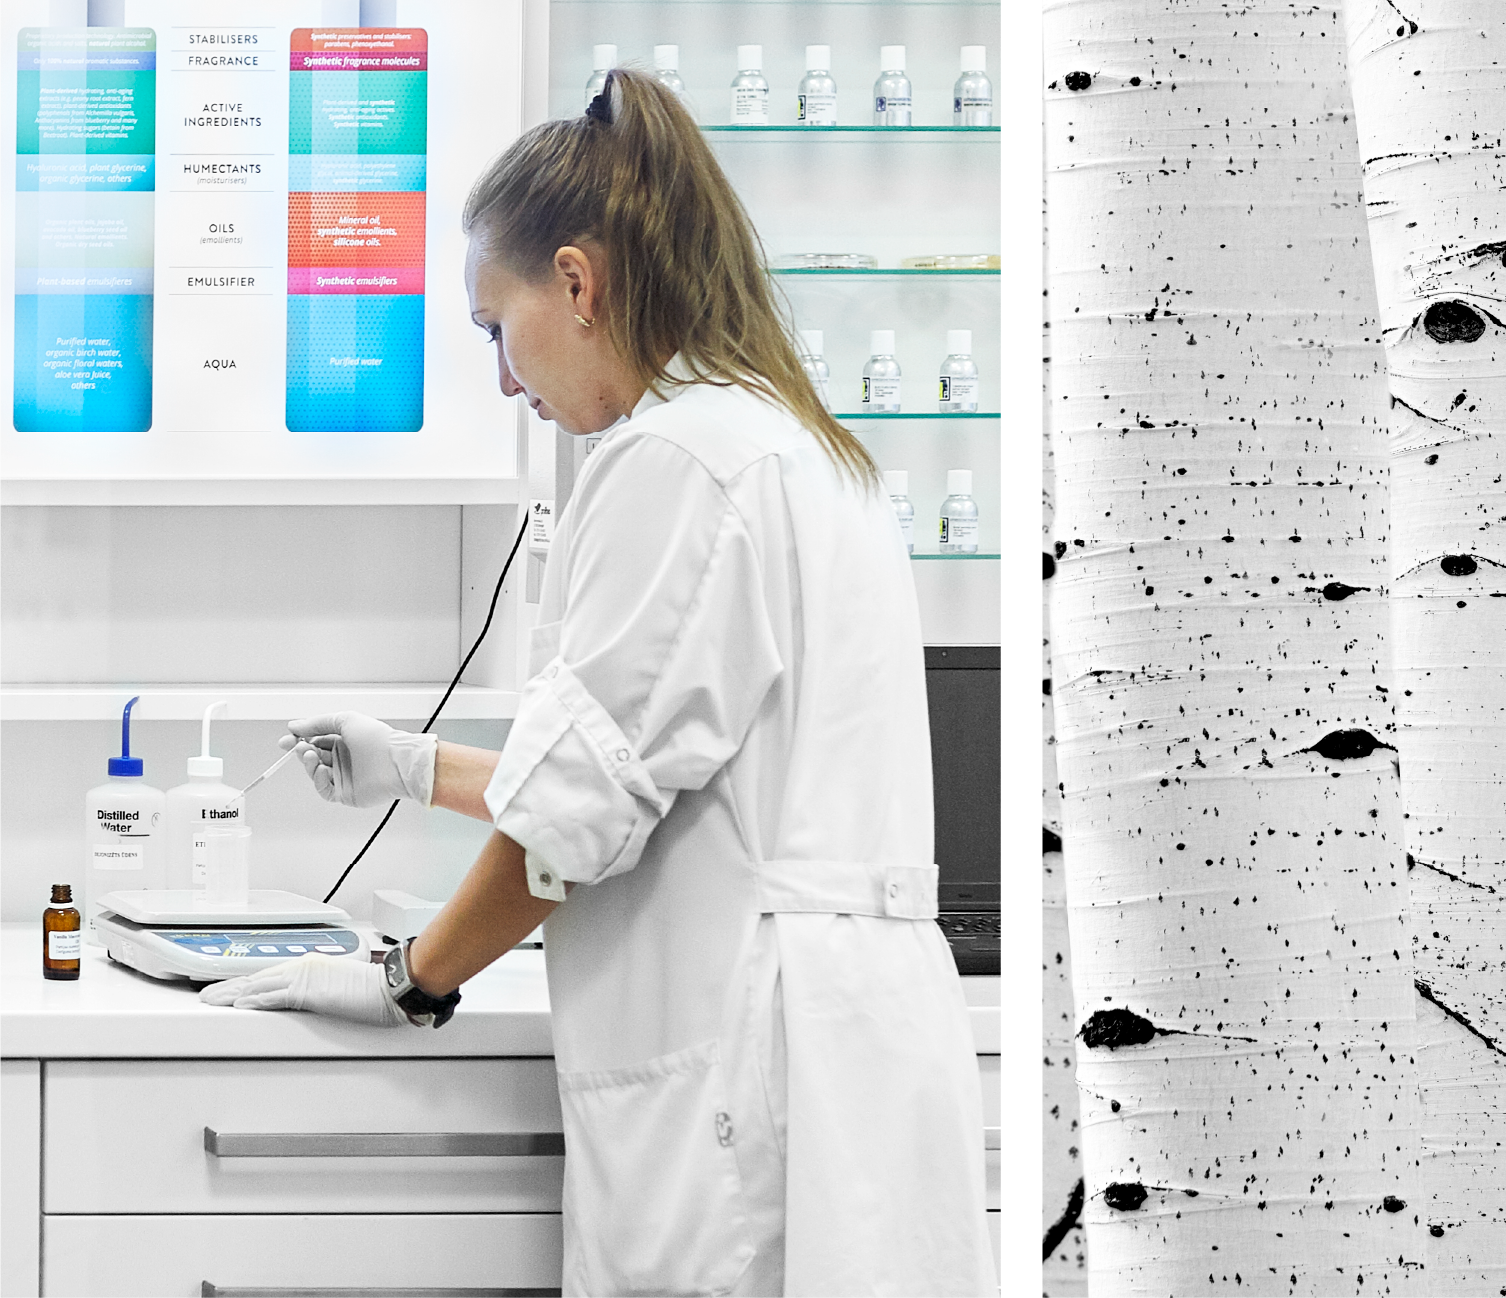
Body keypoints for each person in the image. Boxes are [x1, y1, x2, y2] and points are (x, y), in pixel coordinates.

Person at [198, 68, 994, 1298]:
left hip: (742, 1078)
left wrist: (409, 980)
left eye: (494, 327)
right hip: (854, 1055)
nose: (508, 381)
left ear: (575, 281)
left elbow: (572, 827)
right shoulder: (807, 449)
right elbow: (668, 774)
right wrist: (409, 762)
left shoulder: (672, 458)